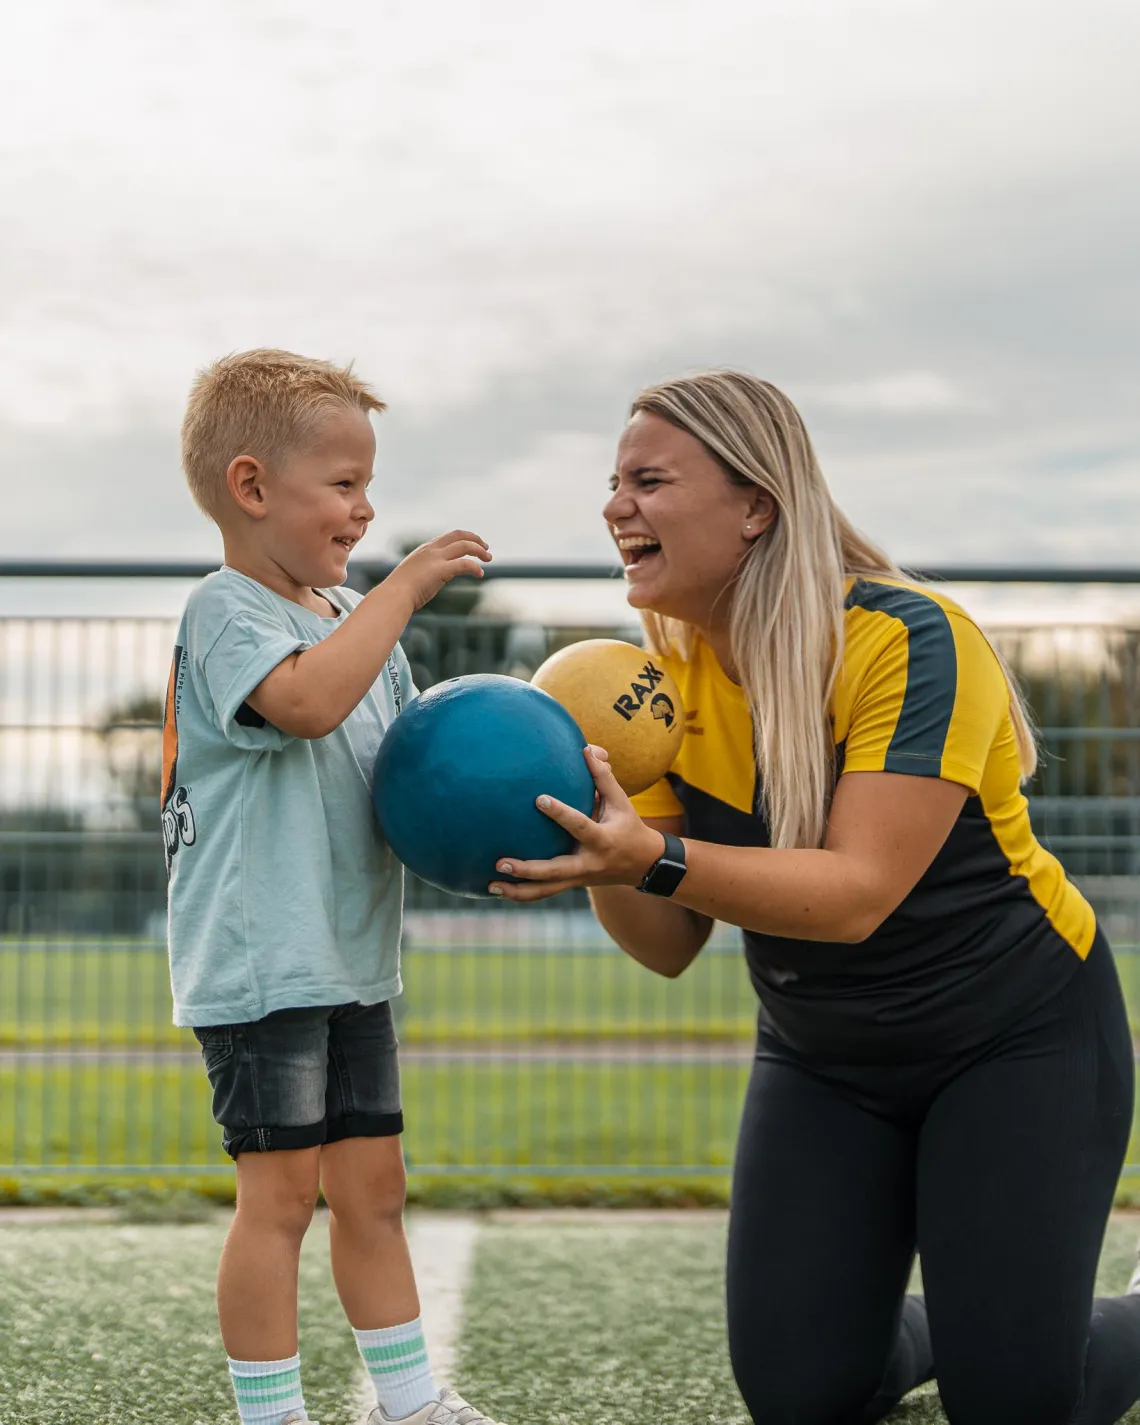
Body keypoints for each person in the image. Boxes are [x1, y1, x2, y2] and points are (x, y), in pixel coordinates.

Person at [490, 370, 1140, 1425]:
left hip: (1016, 1042)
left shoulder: (910, 637)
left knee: (1019, 1402)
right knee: (803, 1396)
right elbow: (663, 943)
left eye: (647, 481)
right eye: (613, 483)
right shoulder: (647, 675)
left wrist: (646, 851)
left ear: (756, 504)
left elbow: (854, 896)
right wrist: (582, 836)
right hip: (826, 1053)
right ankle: (964, 1319)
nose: (615, 508)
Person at [165, 349, 504, 1425]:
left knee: (373, 1190)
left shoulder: (355, 624)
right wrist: (404, 588)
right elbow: (305, 706)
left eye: (369, 482)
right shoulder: (227, 612)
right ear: (254, 487)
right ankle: (271, 1416)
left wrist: (496, 825)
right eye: (345, 484)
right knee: (280, 1201)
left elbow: (403, 778)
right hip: (265, 964)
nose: (367, 508)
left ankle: (410, 1404)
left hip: (350, 960)